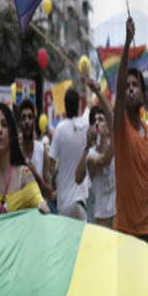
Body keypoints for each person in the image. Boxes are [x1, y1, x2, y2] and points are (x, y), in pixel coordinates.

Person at [113, 16, 148, 254]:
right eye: (127, 87)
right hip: (123, 233)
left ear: (144, 96)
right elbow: (117, 86)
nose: (130, 90)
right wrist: (127, 43)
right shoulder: (120, 128)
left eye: (135, 86)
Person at [75, 78, 115, 228]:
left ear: (107, 126)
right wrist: (86, 146)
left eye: (101, 119)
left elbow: (113, 121)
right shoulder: (90, 156)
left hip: (117, 219)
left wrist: (98, 92)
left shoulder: (116, 146)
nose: (97, 122)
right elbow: (105, 160)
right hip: (100, 221)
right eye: (94, 120)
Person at [47, 87, 90, 220]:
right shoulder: (85, 124)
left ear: (65, 106)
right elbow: (89, 103)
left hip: (63, 205)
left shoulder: (59, 129)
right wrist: (86, 85)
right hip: (79, 204)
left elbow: (50, 167)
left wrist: (60, 158)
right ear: (78, 105)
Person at [18, 98, 51, 200]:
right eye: (23, 118)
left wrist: (35, 176)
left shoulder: (42, 150)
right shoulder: (14, 152)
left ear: (34, 121)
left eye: (30, 117)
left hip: (38, 212)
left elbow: (49, 193)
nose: (26, 121)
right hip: (20, 212)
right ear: (19, 122)